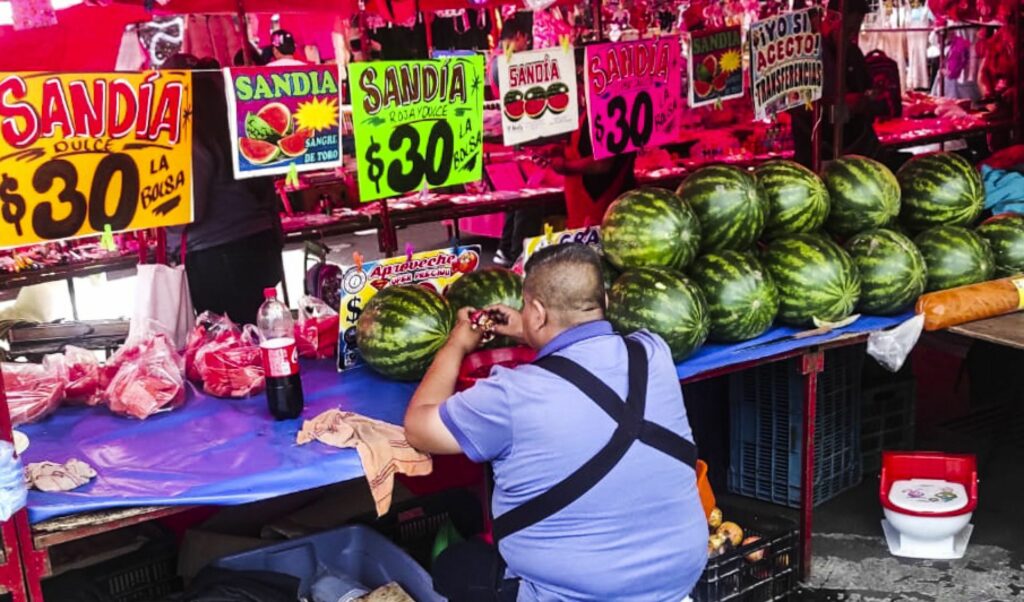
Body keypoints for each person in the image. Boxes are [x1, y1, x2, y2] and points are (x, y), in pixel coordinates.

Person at [405, 244, 707, 601]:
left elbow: (419, 427)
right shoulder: (653, 353)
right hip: (678, 578)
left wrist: (456, 343)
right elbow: (587, 337)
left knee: (453, 566)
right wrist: (528, 328)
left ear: (535, 312)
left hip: (579, 594)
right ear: (604, 300)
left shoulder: (510, 395)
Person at [165, 55, 284, 325]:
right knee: (262, 333)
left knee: (231, 343)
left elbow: (189, 209)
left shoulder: (191, 136)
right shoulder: (241, 124)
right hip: (260, 244)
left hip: (218, 258)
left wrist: (162, 221)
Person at [791, 0, 906, 170]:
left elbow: (868, 94)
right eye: (849, 29)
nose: (853, 35)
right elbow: (797, 106)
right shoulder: (808, 55)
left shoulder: (853, 53)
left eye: (857, 29)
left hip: (855, 149)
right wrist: (839, 105)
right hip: (817, 152)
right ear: (831, 19)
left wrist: (868, 100)